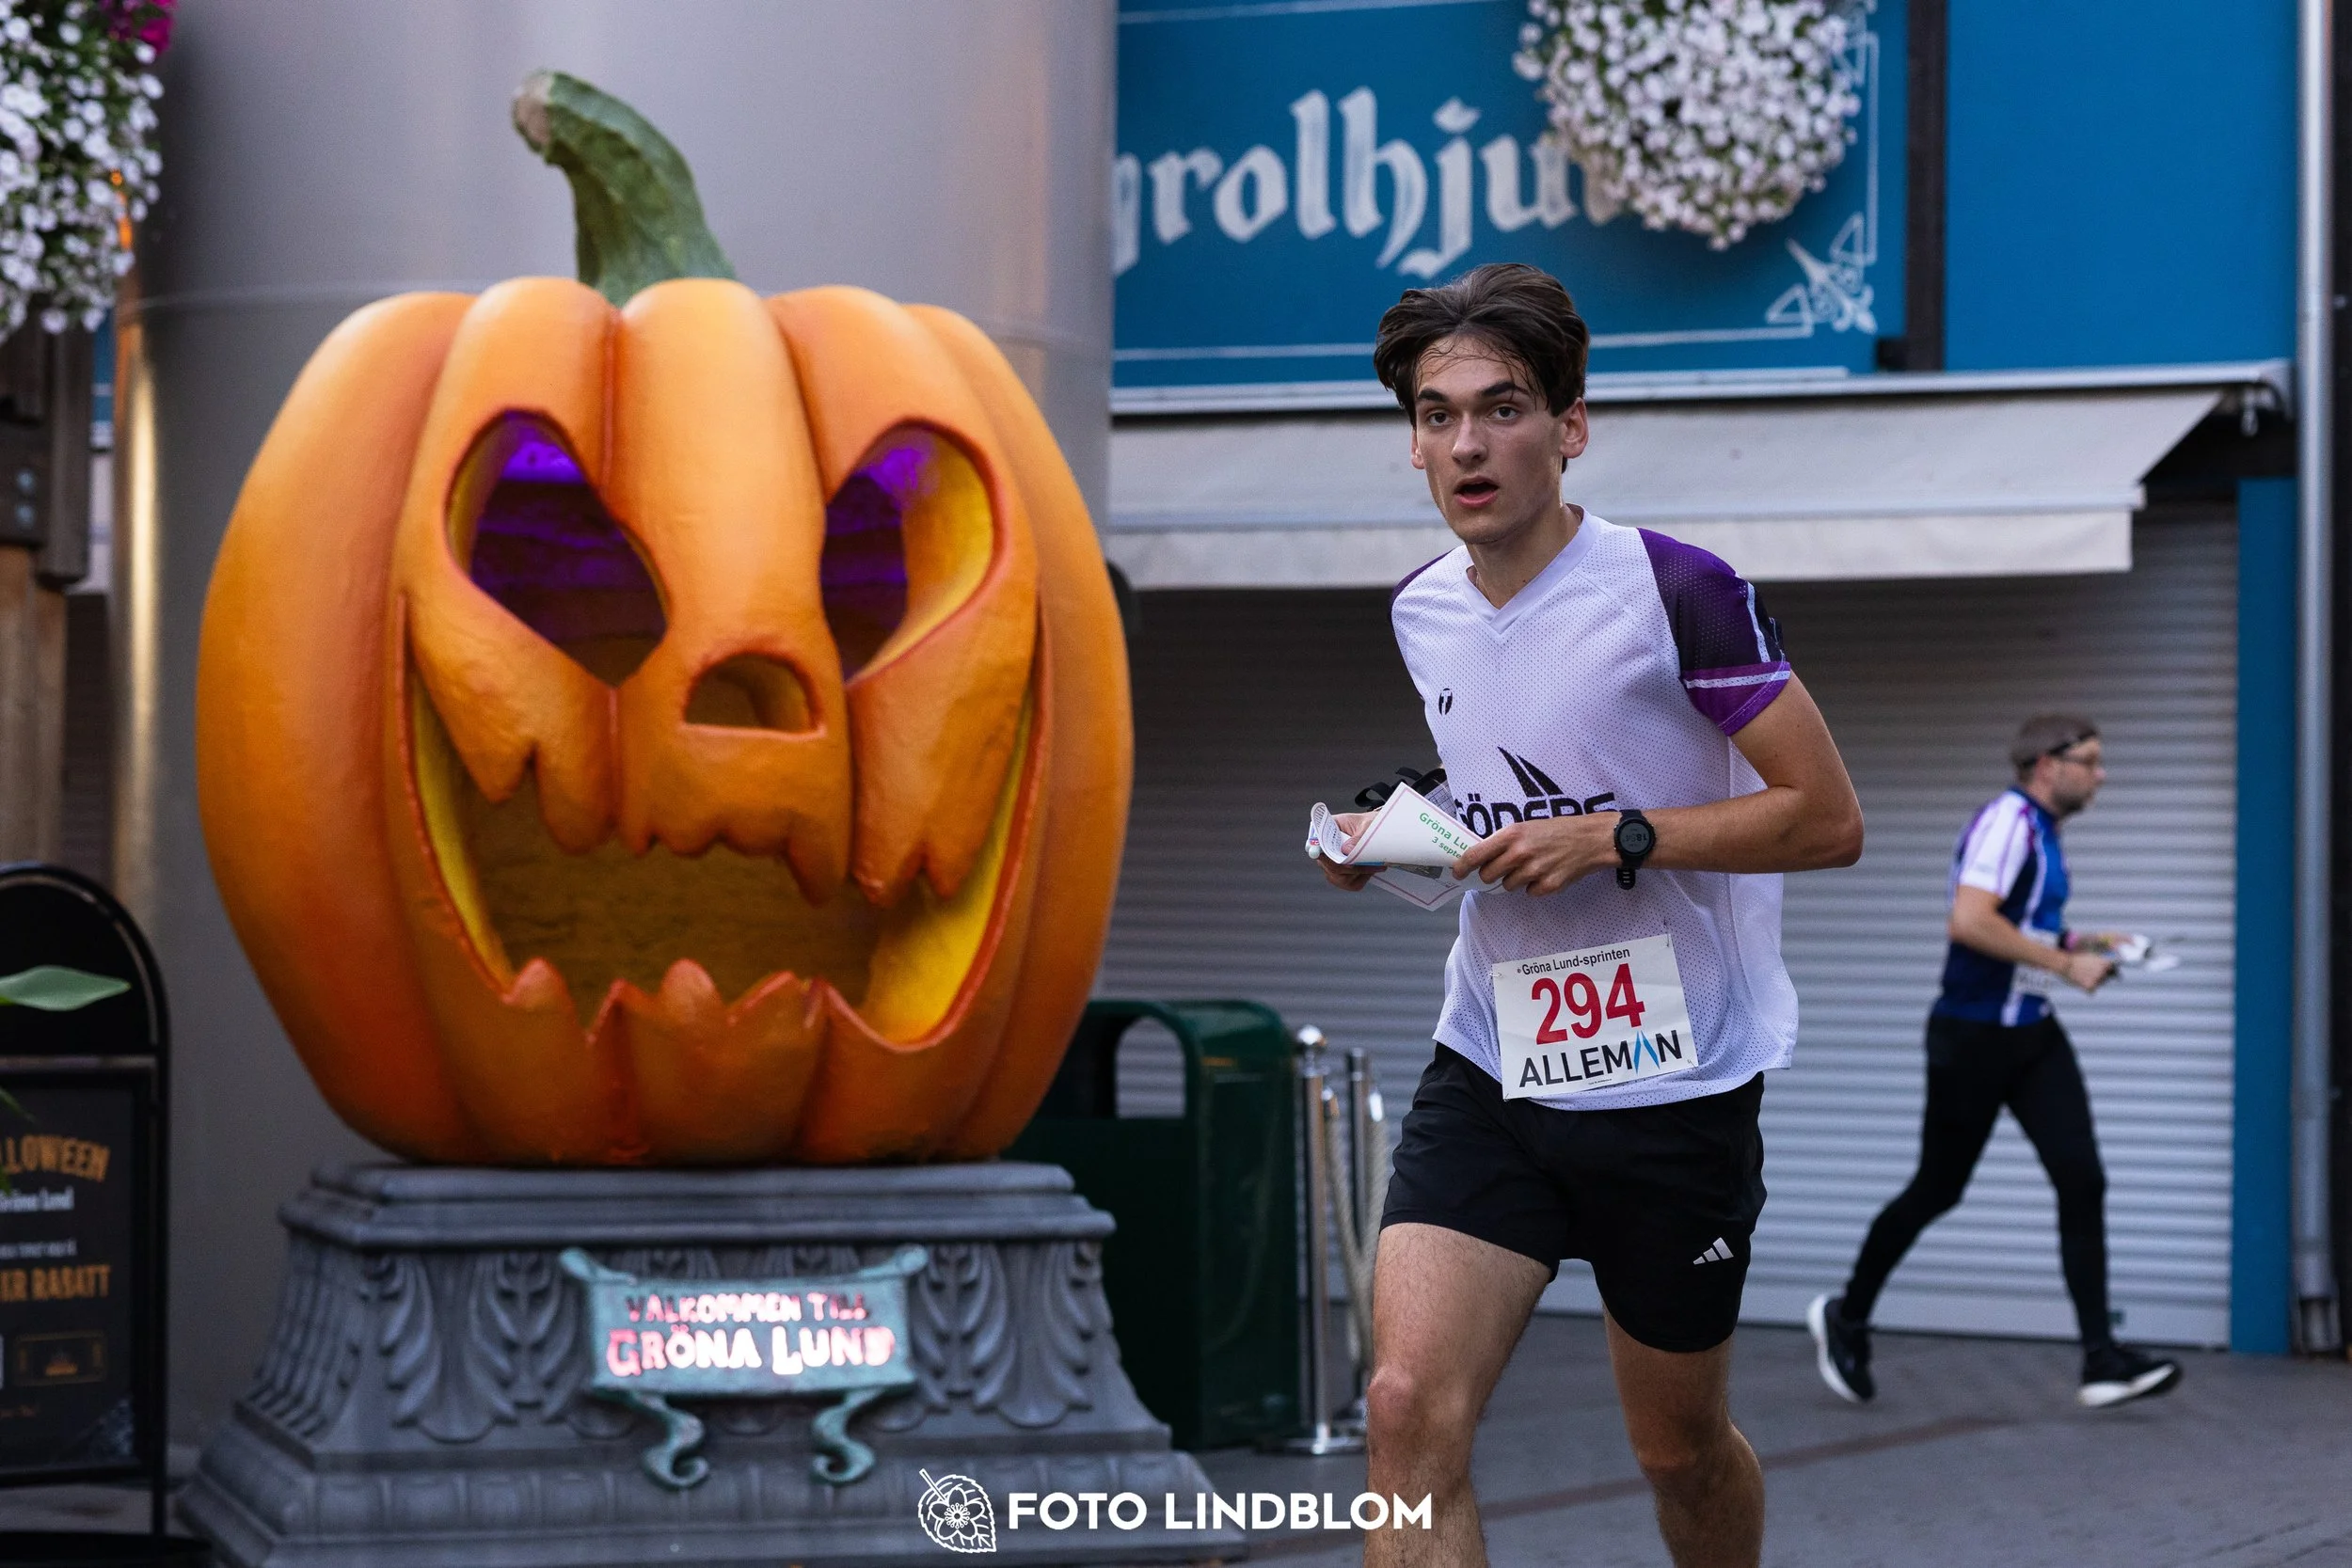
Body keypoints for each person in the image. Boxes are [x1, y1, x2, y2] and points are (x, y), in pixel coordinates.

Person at [1318, 262, 1863, 1568]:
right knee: (1403, 1407)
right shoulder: (1424, 609)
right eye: (1438, 414)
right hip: (1495, 1057)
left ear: (1569, 426)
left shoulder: (1677, 590)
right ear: (1413, 442)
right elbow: (1504, 769)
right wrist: (1392, 834)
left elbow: (1825, 817)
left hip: (1674, 1083)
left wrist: (1617, 835)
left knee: (1678, 1450)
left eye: (1501, 408)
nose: (1468, 442)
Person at [1807, 715, 2184, 1411]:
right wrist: (2069, 963)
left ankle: (2101, 1358)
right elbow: (1971, 921)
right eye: (2091, 761)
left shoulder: (2043, 831)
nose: (2101, 775)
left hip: (2031, 1034)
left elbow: (2018, 924)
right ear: (2047, 763)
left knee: (2082, 1178)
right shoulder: (2007, 823)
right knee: (1937, 1189)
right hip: (1973, 1038)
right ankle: (1847, 1314)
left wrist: (2093, 938)